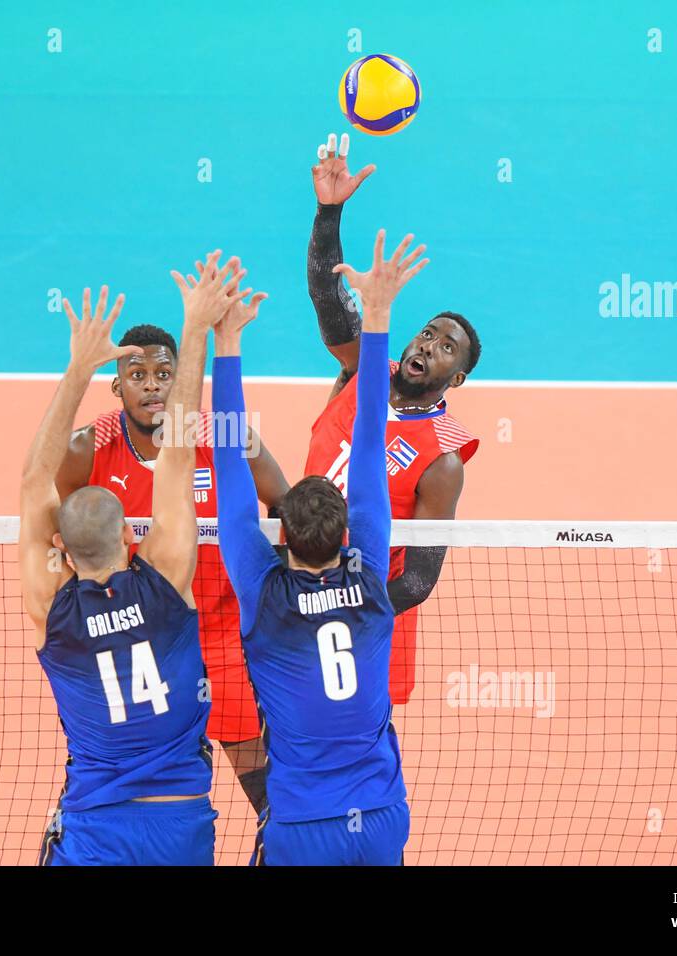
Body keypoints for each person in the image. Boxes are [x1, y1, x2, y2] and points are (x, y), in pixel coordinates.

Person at [19, 260, 244, 865]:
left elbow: (35, 478)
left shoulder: (53, 613)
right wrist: (197, 326)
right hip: (179, 825)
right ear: (130, 535)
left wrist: (78, 367)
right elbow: (177, 454)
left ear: (62, 549)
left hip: (96, 829)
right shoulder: (169, 585)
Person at [214, 230, 427, 865]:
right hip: (383, 817)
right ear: (349, 533)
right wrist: (381, 312)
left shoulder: (263, 591)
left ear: (279, 536)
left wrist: (226, 342)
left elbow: (230, 460)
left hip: (302, 827)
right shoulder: (370, 584)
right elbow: (369, 438)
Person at [54, 257, 289, 816]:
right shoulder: (88, 449)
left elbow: (286, 508)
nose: (153, 386)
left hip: (223, 637)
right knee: (135, 785)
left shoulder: (228, 437)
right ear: (116, 386)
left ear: (182, 378)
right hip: (142, 642)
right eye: (138, 375)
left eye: (165, 373)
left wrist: (271, 598)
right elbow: (59, 531)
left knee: (264, 788)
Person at [304, 132, 482, 704]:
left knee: (354, 743)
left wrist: (341, 600)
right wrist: (329, 212)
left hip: (363, 614)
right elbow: (330, 301)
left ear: (455, 378)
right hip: (292, 577)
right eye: (429, 332)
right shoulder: (365, 372)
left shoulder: (444, 457)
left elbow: (420, 579)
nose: (429, 344)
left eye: (446, 347)